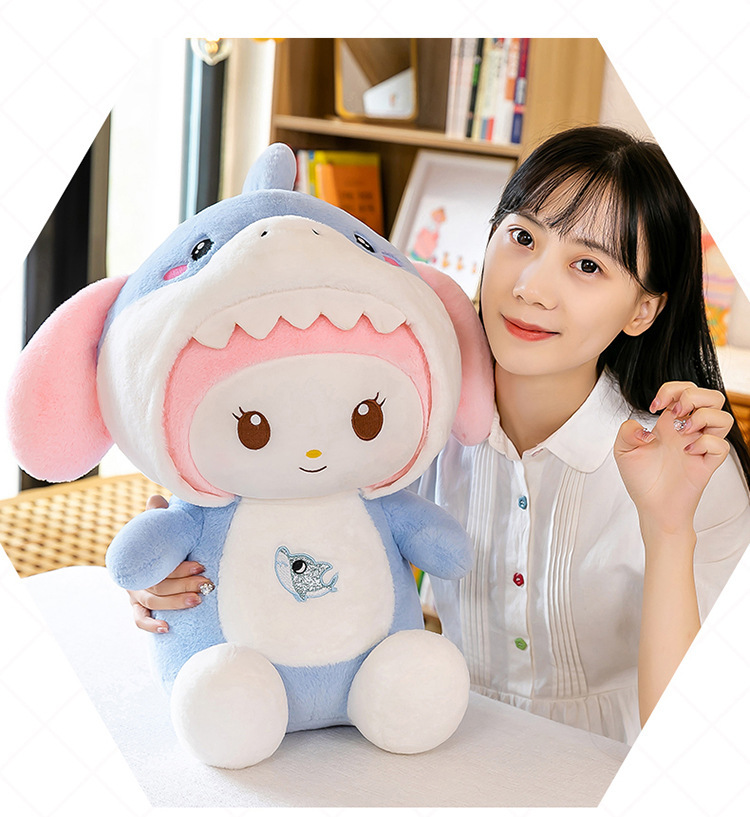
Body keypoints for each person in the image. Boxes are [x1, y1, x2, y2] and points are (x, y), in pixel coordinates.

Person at [127, 126, 750, 746]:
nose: (531, 287)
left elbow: (693, 740)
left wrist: (668, 528)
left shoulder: (688, 468)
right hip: (438, 734)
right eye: (523, 237)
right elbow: (292, 518)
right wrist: (180, 570)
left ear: (644, 309)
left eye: (587, 265)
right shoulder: (412, 416)